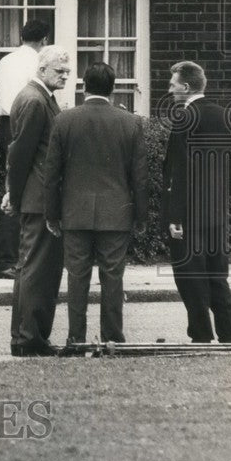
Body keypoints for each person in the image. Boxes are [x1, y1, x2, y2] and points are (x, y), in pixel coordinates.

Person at [44, 62, 148, 345]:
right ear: (112, 89)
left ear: (83, 87)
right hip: (116, 213)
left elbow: (51, 173)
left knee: (77, 278)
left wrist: (51, 214)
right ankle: (113, 338)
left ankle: (76, 339)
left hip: (74, 212)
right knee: (113, 278)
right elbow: (139, 176)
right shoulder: (131, 122)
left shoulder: (64, 120)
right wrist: (140, 216)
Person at [162, 60, 231, 343]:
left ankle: (201, 334)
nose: (170, 90)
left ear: (185, 87)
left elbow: (180, 173)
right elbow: (230, 167)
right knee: (218, 277)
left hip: (190, 215)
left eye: (173, 85)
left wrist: (176, 217)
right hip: (217, 212)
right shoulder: (224, 115)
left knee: (190, 278)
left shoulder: (185, 118)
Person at [3, 45, 69, 356]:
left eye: (67, 70)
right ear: (42, 70)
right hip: (40, 198)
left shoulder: (38, 97)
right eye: (59, 70)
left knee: (33, 268)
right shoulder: (35, 100)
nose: (66, 75)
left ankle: (27, 336)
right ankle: (30, 338)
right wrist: (14, 196)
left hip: (36, 196)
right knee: (37, 270)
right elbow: (20, 153)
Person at [0, 19, 50, 279]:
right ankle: (5, 260)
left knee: (12, 187)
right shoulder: (38, 62)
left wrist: (4, 103)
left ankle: (10, 258)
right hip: (26, 124)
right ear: (44, 39)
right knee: (19, 190)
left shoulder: (6, 60)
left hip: (6, 123)